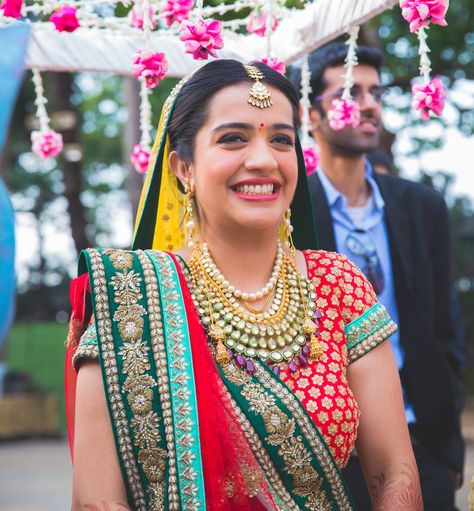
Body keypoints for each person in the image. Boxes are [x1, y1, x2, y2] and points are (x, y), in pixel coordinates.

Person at [67, 60, 422, 511]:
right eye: (233, 138)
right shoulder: (131, 301)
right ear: (183, 168)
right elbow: (98, 503)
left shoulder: (338, 284)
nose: (263, 159)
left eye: (281, 139)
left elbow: (395, 473)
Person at [303, 42, 466, 511]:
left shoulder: (421, 207)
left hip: (423, 442)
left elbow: (444, 330)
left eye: (375, 92)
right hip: (333, 451)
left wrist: (445, 445)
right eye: (351, 92)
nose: (370, 103)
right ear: (311, 115)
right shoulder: (292, 215)